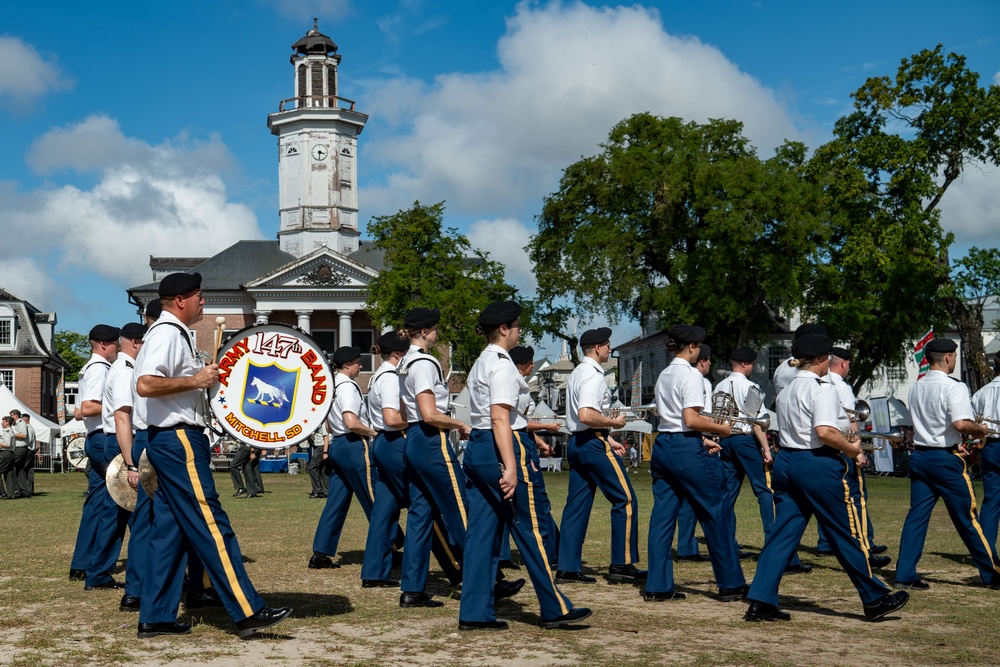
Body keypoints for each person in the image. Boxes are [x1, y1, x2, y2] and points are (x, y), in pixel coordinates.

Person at [135, 271, 289, 638]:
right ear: (180, 301)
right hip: (178, 440)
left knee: (169, 532)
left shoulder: (173, 333)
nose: (204, 301)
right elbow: (146, 384)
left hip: (168, 439)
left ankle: (156, 617)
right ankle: (248, 610)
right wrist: (196, 380)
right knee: (211, 523)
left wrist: (202, 381)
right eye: (199, 295)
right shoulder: (169, 332)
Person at [744, 333, 908, 622]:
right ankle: (874, 598)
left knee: (782, 536)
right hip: (816, 464)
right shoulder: (823, 389)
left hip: (788, 461)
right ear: (820, 360)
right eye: (828, 357)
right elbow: (824, 432)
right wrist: (851, 447)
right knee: (846, 533)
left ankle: (761, 599)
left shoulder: (786, 389)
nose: (830, 361)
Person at [459, 300, 590, 630]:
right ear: (504, 329)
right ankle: (554, 607)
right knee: (532, 528)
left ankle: (474, 613)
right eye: (517, 327)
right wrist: (511, 466)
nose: (519, 332)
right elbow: (500, 418)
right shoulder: (502, 365)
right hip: (502, 445)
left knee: (481, 534)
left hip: (478, 445)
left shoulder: (481, 362)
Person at [397, 307, 522, 608]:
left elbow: (405, 413)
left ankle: (412, 588)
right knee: (462, 511)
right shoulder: (425, 363)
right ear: (425, 332)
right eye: (435, 330)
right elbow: (429, 413)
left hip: (414, 438)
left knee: (420, 515)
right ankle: (489, 580)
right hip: (431, 441)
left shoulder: (404, 363)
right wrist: (459, 423)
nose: (437, 334)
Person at [645, 325, 746, 602]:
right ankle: (731, 583)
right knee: (717, 510)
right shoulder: (690, 375)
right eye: (700, 346)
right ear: (692, 347)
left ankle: (658, 586)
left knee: (663, 519)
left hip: (664, 444)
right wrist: (722, 428)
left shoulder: (665, 373)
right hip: (685, 447)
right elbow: (691, 419)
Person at [894, 337, 1000, 590]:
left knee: (916, 517)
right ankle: (991, 573)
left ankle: (904, 574)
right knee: (967, 518)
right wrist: (981, 430)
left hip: (921, 456)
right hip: (944, 459)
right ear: (949, 357)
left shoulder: (916, 386)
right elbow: (961, 424)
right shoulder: (955, 387)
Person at [365, 330, 462, 590]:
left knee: (384, 511)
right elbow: (391, 419)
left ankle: (374, 571)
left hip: (383, 443)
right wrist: (417, 421)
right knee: (425, 506)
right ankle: (456, 566)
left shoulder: (377, 376)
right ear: (397, 353)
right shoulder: (388, 378)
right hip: (395, 440)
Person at [556, 327, 645, 585]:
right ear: (597, 348)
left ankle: (568, 567)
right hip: (592, 442)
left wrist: (607, 436)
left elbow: (577, 417)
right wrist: (612, 424)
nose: (609, 349)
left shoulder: (577, 373)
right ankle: (622, 563)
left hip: (578, 442)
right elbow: (586, 414)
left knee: (577, 506)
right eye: (607, 345)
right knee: (626, 499)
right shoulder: (594, 376)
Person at [309, 346, 403, 573]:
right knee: (376, 498)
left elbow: (330, 425)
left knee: (336, 502)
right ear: (348, 364)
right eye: (358, 362)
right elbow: (351, 421)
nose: (361, 366)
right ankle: (393, 545)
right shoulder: (348, 387)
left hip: (339, 445)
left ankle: (320, 554)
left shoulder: (332, 386)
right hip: (354, 445)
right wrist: (374, 433)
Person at [715, 348, 809, 573]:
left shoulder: (718, 386)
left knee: (728, 495)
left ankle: (727, 544)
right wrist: (766, 449)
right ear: (746, 364)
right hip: (745, 440)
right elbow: (756, 422)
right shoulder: (750, 387)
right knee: (765, 492)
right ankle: (777, 550)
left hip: (726, 439)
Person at [85, 323, 147, 593]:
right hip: (121, 442)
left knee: (116, 513)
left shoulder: (120, 369)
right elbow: (122, 417)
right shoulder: (123, 371)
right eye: (145, 342)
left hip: (114, 442)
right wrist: (130, 461)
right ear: (135, 342)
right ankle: (140, 575)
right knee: (136, 512)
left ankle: (98, 572)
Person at [821, 347, 890, 568]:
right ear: (843, 364)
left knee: (829, 497)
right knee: (856, 496)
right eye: (849, 364)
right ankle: (864, 545)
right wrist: (858, 450)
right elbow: (853, 422)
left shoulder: (820, 382)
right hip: (844, 445)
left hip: (825, 447)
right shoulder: (841, 386)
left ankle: (826, 542)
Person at [68, 324, 120, 583]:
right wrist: (119, 406)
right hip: (102, 437)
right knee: (119, 500)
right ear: (102, 345)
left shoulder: (89, 368)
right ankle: (97, 566)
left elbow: (78, 410)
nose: (116, 349)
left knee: (97, 503)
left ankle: (83, 563)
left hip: (94, 438)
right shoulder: (100, 368)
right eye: (113, 345)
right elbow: (88, 408)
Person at [675, 344, 713, 562]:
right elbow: (699, 417)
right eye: (708, 360)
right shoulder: (700, 380)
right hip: (698, 439)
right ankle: (689, 547)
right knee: (704, 498)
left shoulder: (674, 374)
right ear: (702, 360)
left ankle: (686, 545)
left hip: (690, 439)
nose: (709, 364)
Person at [972, 352, 1000, 552]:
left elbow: (972, 423)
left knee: (991, 501)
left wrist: (976, 441)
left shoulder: (981, 393)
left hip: (990, 445)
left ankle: (986, 551)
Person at [307, 422, 330, 499]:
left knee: (312, 468)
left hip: (321, 447)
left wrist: (325, 452)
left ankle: (317, 491)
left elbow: (326, 438)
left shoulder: (322, 423)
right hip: (322, 447)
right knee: (323, 469)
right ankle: (325, 491)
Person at [20, 413, 37, 496]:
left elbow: (28, 440)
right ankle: (30, 490)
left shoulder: (28, 429)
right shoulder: (31, 428)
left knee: (23, 470)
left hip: (29, 450)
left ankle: (25, 489)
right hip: (31, 451)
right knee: (30, 471)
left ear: (25, 420)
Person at [0, 416, 15, 499]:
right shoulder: (10, 431)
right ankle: (11, 493)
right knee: (8, 473)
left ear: (7, 423)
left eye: (3, 421)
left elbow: (7, 444)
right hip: (11, 453)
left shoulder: (7, 432)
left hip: (5, 453)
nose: (2, 423)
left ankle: (2, 493)